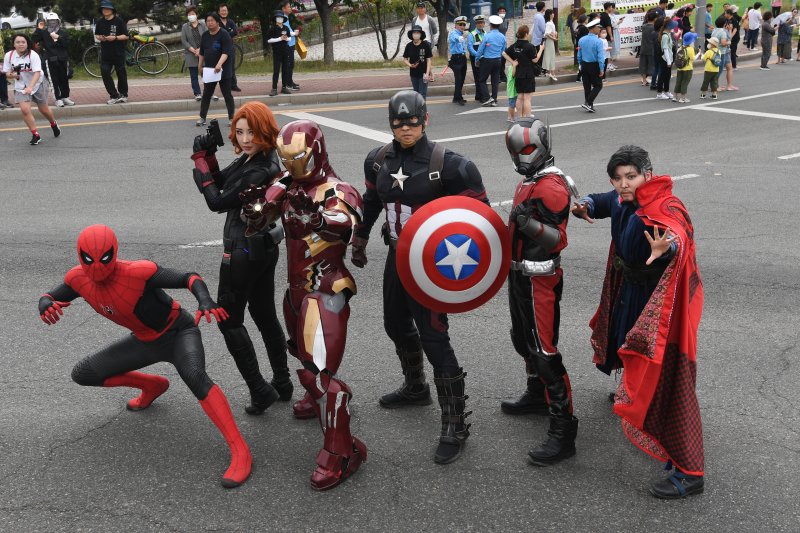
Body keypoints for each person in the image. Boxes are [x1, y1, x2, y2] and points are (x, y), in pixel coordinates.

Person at [39, 224, 252, 488]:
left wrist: (205, 300)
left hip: (178, 332)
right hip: (143, 340)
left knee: (195, 376)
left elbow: (189, 277)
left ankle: (240, 450)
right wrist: (45, 304)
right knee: (83, 373)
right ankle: (152, 385)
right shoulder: (77, 279)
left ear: (114, 252)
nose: (96, 268)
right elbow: (49, 295)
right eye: (88, 260)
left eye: (104, 258)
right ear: (79, 256)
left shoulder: (139, 272)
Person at [354, 91, 488, 465]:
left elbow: (481, 225)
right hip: (396, 255)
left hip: (431, 264)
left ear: (425, 119)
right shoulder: (378, 160)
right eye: (398, 123)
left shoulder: (451, 166)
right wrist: (361, 237)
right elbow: (370, 202)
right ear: (389, 123)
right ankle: (416, 387)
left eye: (411, 121)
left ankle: (455, 424)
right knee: (394, 324)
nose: (405, 128)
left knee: (434, 337)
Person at [571, 145, 705, 500]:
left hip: (661, 307)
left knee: (669, 379)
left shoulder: (664, 205)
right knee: (631, 353)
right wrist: (585, 202)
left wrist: (669, 247)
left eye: (631, 176)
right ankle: (635, 397)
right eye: (617, 178)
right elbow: (604, 202)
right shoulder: (621, 199)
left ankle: (689, 472)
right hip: (632, 296)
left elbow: (676, 232)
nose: (623, 184)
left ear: (648, 173)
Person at [239, 120, 367, 491]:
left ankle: (343, 452)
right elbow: (265, 212)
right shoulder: (287, 182)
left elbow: (346, 223)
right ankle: (318, 401)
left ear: (316, 152)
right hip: (295, 288)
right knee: (300, 351)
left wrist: (320, 218)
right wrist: (255, 211)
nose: (293, 167)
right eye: (287, 159)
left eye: (299, 159)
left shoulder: (337, 189)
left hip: (326, 287)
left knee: (317, 372)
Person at [191, 102, 292, 414]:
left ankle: (261, 390)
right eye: (240, 131)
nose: (246, 138)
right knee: (264, 315)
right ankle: (283, 382)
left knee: (229, 320)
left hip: (242, 250)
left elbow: (217, 200)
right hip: (261, 247)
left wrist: (199, 162)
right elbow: (224, 183)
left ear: (265, 131)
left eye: (252, 131)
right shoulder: (259, 159)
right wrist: (208, 157)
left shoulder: (260, 167)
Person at [503, 118, 579, 466]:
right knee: (522, 340)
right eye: (516, 149)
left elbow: (557, 239)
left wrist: (527, 224)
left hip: (540, 279)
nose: (522, 155)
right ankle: (536, 395)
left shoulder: (552, 186)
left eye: (528, 148)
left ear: (544, 147)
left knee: (544, 350)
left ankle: (564, 431)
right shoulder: (529, 182)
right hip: (519, 275)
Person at [2, 34, 60, 145]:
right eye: (18, 42)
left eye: (23, 42)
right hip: (21, 87)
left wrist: (30, 87)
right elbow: (7, 73)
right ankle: (35, 135)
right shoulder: (9, 56)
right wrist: (13, 75)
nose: (20, 44)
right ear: (14, 44)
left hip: (38, 84)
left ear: (27, 43)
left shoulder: (33, 55)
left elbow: (37, 73)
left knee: (44, 110)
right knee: (25, 110)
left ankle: (53, 123)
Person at [197, 12, 235, 127]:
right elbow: (202, 52)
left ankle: (232, 118)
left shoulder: (224, 34)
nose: (209, 23)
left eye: (212, 20)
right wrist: (200, 66)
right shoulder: (205, 35)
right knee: (206, 94)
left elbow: (226, 52)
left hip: (223, 69)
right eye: (207, 21)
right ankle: (202, 117)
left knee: (227, 94)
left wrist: (219, 64)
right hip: (210, 71)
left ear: (217, 22)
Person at [31, 13, 73, 107]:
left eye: (54, 21)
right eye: (50, 21)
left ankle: (65, 97)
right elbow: (33, 39)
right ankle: (57, 99)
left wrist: (58, 37)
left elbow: (66, 44)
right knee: (53, 80)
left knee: (64, 79)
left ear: (58, 21)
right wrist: (39, 29)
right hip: (50, 59)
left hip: (63, 59)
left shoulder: (63, 33)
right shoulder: (44, 32)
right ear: (47, 22)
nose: (52, 23)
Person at [503, 25, 542, 119]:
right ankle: (528, 117)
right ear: (526, 34)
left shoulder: (515, 46)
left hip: (518, 74)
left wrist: (513, 62)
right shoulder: (530, 46)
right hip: (528, 74)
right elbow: (535, 60)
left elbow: (504, 53)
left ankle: (520, 116)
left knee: (520, 97)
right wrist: (541, 50)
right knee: (527, 98)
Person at [94, 0, 129, 105]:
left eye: (107, 8)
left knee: (121, 73)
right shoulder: (100, 22)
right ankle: (114, 95)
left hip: (118, 52)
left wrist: (115, 38)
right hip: (106, 53)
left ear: (112, 10)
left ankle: (123, 94)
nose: (105, 10)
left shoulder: (119, 21)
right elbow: (97, 35)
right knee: (105, 72)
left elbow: (126, 36)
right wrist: (101, 38)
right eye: (103, 9)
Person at [475, 15, 507, 106]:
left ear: (490, 25)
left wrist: (477, 60)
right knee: (495, 80)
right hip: (498, 60)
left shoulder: (487, 36)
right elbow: (503, 49)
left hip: (487, 60)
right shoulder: (502, 36)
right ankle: (494, 99)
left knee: (482, 80)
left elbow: (480, 50)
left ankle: (487, 98)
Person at [577, 18, 605, 112]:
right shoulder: (598, 41)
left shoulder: (581, 40)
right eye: (598, 27)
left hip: (584, 64)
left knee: (587, 86)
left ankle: (590, 106)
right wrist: (601, 69)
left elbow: (579, 55)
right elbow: (601, 58)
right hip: (594, 65)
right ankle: (588, 103)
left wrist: (580, 64)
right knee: (598, 85)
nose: (600, 29)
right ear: (593, 28)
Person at [265, 12, 294, 97]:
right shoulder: (272, 28)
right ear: (275, 19)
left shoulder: (286, 28)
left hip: (285, 51)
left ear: (283, 19)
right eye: (278, 17)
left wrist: (286, 38)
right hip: (277, 52)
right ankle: (274, 89)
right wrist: (279, 39)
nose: (280, 19)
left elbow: (289, 37)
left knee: (285, 70)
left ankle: (284, 87)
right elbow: (268, 40)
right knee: (276, 71)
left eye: (281, 17)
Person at [181, 6, 207, 101]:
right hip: (191, 54)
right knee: (194, 76)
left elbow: (207, 37)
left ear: (196, 15)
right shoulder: (185, 26)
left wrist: (200, 49)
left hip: (203, 53)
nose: (191, 16)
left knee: (205, 75)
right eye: (189, 14)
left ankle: (208, 92)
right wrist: (193, 50)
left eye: (192, 14)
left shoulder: (203, 24)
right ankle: (197, 93)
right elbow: (184, 40)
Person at [403, 25, 433, 100]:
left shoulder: (425, 45)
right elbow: (405, 59)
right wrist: (410, 65)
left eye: (417, 32)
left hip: (423, 74)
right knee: (415, 94)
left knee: (422, 94)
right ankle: (417, 110)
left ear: (420, 34)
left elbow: (428, 60)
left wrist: (428, 72)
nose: (416, 34)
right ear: (412, 34)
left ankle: (422, 111)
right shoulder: (409, 46)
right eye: (414, 32)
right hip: (413, 74)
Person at [218, 4, 241, 92]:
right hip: (220, 49)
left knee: (231, 67)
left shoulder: (231, 21)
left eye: (225, 10)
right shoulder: (217, 22)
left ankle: (233, 85)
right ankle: (224, 86)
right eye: (222, 11)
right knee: (221, 67)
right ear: (219, 12)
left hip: (230, 48)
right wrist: (228, 34)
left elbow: (235, 32)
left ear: (227, 12)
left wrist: (225, 34)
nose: (224, 12)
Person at [280, 0, 301, 91]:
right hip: (287, 44)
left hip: (291, 43)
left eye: (290, 6)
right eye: (288, 7)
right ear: (283, 9)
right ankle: (288, 83)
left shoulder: (286, 17)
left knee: (291, 64)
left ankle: (290, 82)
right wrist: (294, 33)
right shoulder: (282, 19)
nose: (290, 8)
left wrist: (293, 33)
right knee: (289, 64)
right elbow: (285, 32)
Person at [448, 16, 469, 105]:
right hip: (456, 59)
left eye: (464, 24)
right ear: (456, 25)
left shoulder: (461, 34)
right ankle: (458, 98)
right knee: (459, 79)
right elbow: (456, 38)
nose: (462, 26)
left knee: (462, 78)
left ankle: (457, 97)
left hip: (462, 58)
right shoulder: (454, 33)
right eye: (460, 24)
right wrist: (461, 37)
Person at [655, 19, 677, 101]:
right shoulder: (665, 36)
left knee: (667, 75)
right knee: (662, 76)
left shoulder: (667, 34)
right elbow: (665, 49)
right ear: (669, 26)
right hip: (665, 59)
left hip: (668, 59)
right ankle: (659, 93)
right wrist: (668, 61)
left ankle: (666, 91)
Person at [712, 17, 736, 90]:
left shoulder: (714, 30)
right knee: (719, 69)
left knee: (727, 68)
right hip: (723, 52)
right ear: (724, 24)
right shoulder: (723, 31)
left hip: (718, 51)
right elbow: (725, 42)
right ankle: (715, 86)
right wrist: (731, 30)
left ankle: (720, 85)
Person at [674, 32, 697, 103]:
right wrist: (699, 54)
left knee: (678, 82)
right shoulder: (690, 49)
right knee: (685, 83)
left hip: (679, 68)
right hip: (688, 69)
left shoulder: (680, 47)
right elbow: (693, 59)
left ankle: (675, 97)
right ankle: (682, 98)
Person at [468, 15, 486, 101]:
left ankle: (478, 95)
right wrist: (478, 56)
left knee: (482, 77)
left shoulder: (486, 33)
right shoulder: (472, 34)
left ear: (484, 24)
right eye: (478, 23)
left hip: (484, 58)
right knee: (478, 77)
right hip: (476, 58)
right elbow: (470, 48)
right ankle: (481, 96)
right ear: (476, 24)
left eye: (481, 22)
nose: (480, 24)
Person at [639, 11, 658, 86]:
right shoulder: (654, 27)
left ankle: (644, 81)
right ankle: (654, 81)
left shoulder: (644, 26)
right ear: (655, 19)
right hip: (652, 48)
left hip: (643, 48)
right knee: (653, 65)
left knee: (644, 64)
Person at [542, 9, 558, 81]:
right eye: (552, 13)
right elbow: (546, 33)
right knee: (550, 56)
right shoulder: (548, 23)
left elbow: (550, 32)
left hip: (550, 41)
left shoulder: (550, 22)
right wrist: (553, 38)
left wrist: (555, 34)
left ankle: (550, 72)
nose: (553, 14)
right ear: (550, 15)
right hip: (549, 41)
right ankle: (551, 72)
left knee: (550, 55)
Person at [497, 6, 510, 82]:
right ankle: (498, 75)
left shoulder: (506, 21)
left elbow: (505, 30)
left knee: (503, 59)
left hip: (504, 42)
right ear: (498, 12)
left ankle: (502, 75)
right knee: (498, 60)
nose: (502, 12)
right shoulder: (496, 21)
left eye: (503, 11)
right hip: (497, 42)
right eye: (500, 11)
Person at [574, 14, 589, 83]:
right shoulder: (584, 28)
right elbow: (586, 38)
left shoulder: (578, 27)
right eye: (587, 19)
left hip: (578, 45)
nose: (587, 20)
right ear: (584, 20)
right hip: (583, 47)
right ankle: (581, 77)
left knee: (581, 62)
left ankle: (579, 77)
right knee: (584, 62)